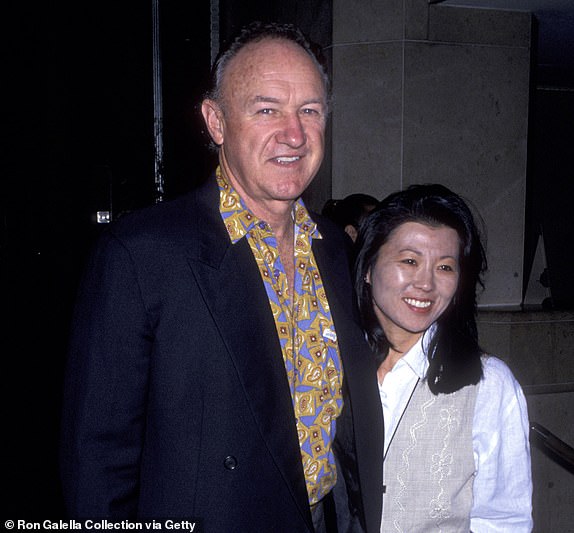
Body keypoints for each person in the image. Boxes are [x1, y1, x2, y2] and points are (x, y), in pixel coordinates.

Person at [60, 21, 384, 533]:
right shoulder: (141, 255)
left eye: (309, 110)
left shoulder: (338, 251)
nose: (294, 134)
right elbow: (96, 459)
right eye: (266, 109)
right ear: (216, 122)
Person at [354, 184, 532, 532]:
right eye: (409, 260)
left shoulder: (489, 384)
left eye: (446, 267)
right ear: (368, 268)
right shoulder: (329, 364)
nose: (426, 283)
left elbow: (504, 521)